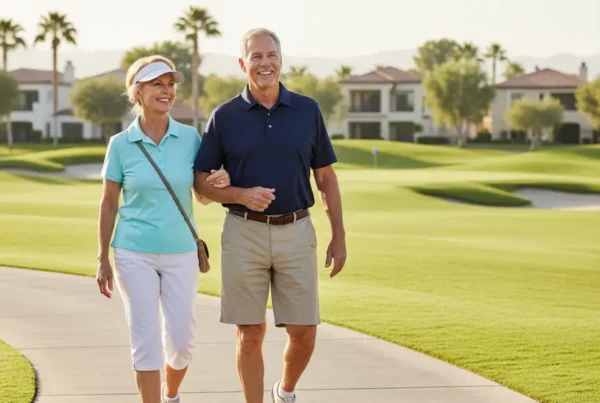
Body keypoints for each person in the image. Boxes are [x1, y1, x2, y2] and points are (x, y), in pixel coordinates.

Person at [193, 28, 347, 403]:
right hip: (243, 234)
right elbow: (200, 184)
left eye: (271, 55)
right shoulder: (225, 116)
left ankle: (285, 391)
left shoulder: (307, 109)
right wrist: (241, 194)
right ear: (243, 64)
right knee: (250, 332)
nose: (265, 63)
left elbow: (325, 177)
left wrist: (339, 235)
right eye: (256, 57)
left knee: (304, 331)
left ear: (281, 59)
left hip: (297, 230)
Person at [96, 55, 230, 403]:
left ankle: (171, 394)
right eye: (157, 83)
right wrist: (102, 258)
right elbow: (109, 203)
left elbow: (202, 196)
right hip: (132, 251)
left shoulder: (190, 139)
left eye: (170, 84)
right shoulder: (121, 145)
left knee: (182, 344)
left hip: (181, 252)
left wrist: (219, 183)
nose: (166, 90)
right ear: (137, 92)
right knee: (146, 341)